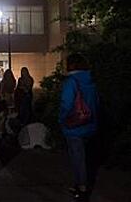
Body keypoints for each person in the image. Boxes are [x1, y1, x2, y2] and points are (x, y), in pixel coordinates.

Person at [59, 54, 99, 202]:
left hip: (74, 125)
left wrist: (62, 119)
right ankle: (81, 185)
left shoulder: (71, 82)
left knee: (77, 158)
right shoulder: (90, 81)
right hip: (89, 123)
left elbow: (66, 104)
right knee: (87, 158)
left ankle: (81, 188)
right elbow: (96, 102)